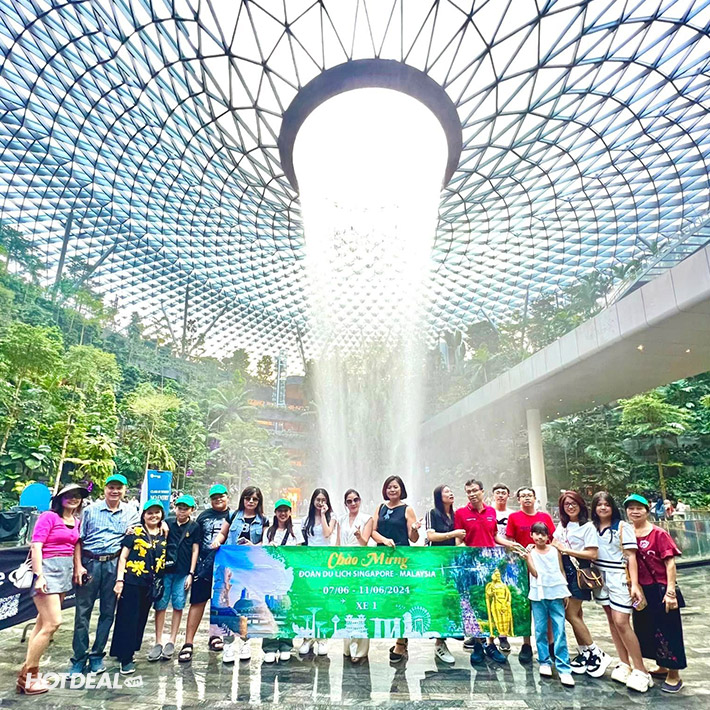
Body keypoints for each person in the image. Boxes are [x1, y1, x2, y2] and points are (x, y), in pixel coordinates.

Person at [17, 484, 89, 695]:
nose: (74, 499)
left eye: (77, 496)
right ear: (60, 498)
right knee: (53, 623)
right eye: (69, 496)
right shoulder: (48, 517)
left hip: (64, 572)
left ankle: (28, 673)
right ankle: (28, 677)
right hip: (47, 571)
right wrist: (39, 575)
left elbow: (76, 544)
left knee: (42, 624)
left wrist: (78, 566)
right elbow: (36, 546)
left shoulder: (76, 521)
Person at [70, 473, 140, 675]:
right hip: (90, 563)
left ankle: (97, 656)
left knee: (108, 612)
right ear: (105, 489)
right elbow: (78, 540)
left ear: (124, 490)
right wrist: (78, 566)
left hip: (113, 564)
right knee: (82, 613)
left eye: (119, 488)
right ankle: (78, 658)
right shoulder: (90, 511)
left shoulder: (131, 512)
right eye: (111, 487)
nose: (114, 491)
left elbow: (140, 531)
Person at [453, 479, 524, 665]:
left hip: (491, 566)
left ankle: (491, 645)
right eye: (468, 491)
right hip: (472, 566)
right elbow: (459, 541)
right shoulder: (460, 513)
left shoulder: (491, 512)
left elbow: (494, 536)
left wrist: (511, 545)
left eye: (475, 490)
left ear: (482, 492)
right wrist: (467, 553)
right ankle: (478, 645)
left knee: (491, 604)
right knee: (476, 604)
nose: (472, 494)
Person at [591, 491, 652, 692]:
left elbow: (631, 557)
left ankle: (641, 669)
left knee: (621, 621)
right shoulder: (592, 527)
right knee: (611, 620)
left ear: (612, 507)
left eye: (606, 504)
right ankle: (624, 663)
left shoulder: (622, 527)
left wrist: (634, 584)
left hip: (619, 577)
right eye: (599, 504)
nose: (602, 508)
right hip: (600, 577)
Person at [625, 494, 686, 693]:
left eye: (639, 508)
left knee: (669, 630)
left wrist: (670, 592)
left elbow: (670, 563)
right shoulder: (627, 533)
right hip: (641, 590)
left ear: (647, 510)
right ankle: (662, 666)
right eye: (631, 508)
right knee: (648, 630)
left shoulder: (658, 534)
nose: (635, 512)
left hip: (661, 588)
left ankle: (674, 674)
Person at [552, 491, 611, 677]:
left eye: (573, 503)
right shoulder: (562, 526)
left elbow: (592, 554)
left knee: (570, 614)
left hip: (579, 572)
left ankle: (596, 652)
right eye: (566, 504)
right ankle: (584, 652)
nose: (570, 507)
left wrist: (566, 550)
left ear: (580, 505)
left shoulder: (588, 527)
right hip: (565, 572)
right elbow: (554, 544)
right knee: (577, 614)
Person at [109, 499, 167, 674]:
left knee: (141, 619)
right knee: (128, 618)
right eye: (150, 513)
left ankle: (127, 651)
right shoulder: (135, 532)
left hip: (150, 584)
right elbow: (123, 557)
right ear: (143, 515)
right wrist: (120, 580)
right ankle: (126, 658)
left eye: (157, 512)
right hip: (132, 581)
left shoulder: (163, 533)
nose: (153, 516)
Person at [213, 486, 268, 663]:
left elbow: (265, 543)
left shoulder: (263, 520)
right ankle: (228, 644)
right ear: (243, 499)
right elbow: (223, 533)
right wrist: (217, 541)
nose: (250, 501)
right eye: (247, 498)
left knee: (246, 605)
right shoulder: (233, 515)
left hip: (249, 568)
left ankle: (245, 643)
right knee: (226, 602)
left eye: (254, 499)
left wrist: (253, 546)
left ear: (259, 502)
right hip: (229, 565)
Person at [179, 484, 231, 663]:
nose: (218, 499)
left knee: (221, 602)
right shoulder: (204, 516)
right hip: (203, 565)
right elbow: (193, 540)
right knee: (197, 602)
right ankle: (188, 642)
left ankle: (216, 636)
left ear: (227, 497)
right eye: (214, 497)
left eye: (221, 496)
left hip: (224, 567)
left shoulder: (233, 516)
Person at [371, 475, 421, 663]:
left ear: (401, 490)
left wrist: (415, 529)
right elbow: (373, 531)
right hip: (382, 559)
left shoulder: (407, 509)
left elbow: (413, 538)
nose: (392, 490)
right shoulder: (380, 507)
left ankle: (401, 641)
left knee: (401, 598)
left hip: (401, 560)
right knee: (387, 597)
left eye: (396, 487)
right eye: (389, 487)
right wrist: (384, 540)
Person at [505, 486, 555, 663]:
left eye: (529, 495)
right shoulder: (514, 517)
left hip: (544, 568)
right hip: (522, 568)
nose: (526, 498)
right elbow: (510, 541)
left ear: (535, 499)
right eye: (523, 496)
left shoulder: (545, 517)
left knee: (546, 606)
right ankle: (526, 644)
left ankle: (551, 643)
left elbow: (553, 540)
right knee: (525, 608)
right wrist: (519, 554)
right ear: (518, 500)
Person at [524, 522, 575, 687]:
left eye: (543, 534)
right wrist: (527, 558)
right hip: (538, 594)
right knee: (540, 629)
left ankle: (564, 668)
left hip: (556, 593)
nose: (540, 537)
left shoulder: (554, 551)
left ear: (548, 536)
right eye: (536, 534)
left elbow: (560, 570)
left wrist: (565, 590)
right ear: (531, 535)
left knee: (560, 630)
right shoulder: (530, 552)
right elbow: (534, 573)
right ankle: (544, 661)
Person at [149, 494, 199, 662]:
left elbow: (195, 550)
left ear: (192, 510)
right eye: (179, 508)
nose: (182, 511)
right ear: (175, 508)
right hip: (165, 571)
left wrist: (191, 573)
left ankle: (172, 639)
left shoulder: (195, 527)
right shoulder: (168, 523)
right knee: (160, 605)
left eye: (185, 509)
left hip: (183, 572)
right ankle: (158, 641)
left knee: (178, 605)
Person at [425, 484, 465, 665]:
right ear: (438, 496)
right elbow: (431, 536)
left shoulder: (456, 515)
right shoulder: (432, 513)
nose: (450, 493)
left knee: (452, 598)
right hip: (436, 563)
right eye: (446, 491)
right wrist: (452, 533)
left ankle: (451, 633)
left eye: (451, 490)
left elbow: (457, 541)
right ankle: (439, 643)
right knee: (439, 599)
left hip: (452, 562)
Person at [262, 498, 304, 662]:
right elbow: (263, 553)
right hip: (271, 578)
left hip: (288, 578)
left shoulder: (295, 531)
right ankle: (269, 646)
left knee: (287, 610)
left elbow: (299, 554)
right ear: (275, 512)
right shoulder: (268, 532)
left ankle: (286, 645)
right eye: (280, 510)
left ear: (290, 512)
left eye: (286, 510)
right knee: (270, 610)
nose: (283, 513)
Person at [337, 488, 373, 662]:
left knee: (361, 604)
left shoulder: (367, 519)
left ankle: (360, 649)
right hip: (344, 566)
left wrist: (358, 535)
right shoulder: (341, 520)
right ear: (345, 504)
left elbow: (365, 544)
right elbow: (337, 544)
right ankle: (347, 646)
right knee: (347, 604)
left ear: (360, 501)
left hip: (360, 566)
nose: (353, 503)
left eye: (355, 500)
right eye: (349, 501)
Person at [299, 487, 336, 656]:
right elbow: (302, 543)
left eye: (323, 500)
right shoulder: (305, 520)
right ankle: (307, 637)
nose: (320, 503)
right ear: (313, 500)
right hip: (309, 564)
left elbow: (327, 534)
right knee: (308, 599)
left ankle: (322, 637)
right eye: (318, 500)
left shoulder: (331, 517)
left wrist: (322, 514)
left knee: (323, 599)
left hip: (324, 563)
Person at [491, 482, 513, 651]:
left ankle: (503, 635)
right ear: (493, 495)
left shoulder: (512, 514)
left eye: (503, 492)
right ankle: (486, 637)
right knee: (489, 596)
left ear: (508, 495)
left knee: (503, 598)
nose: (500, 495)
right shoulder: (488, 512)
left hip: (507, 559)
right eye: (497, 492)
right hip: (488, 557)